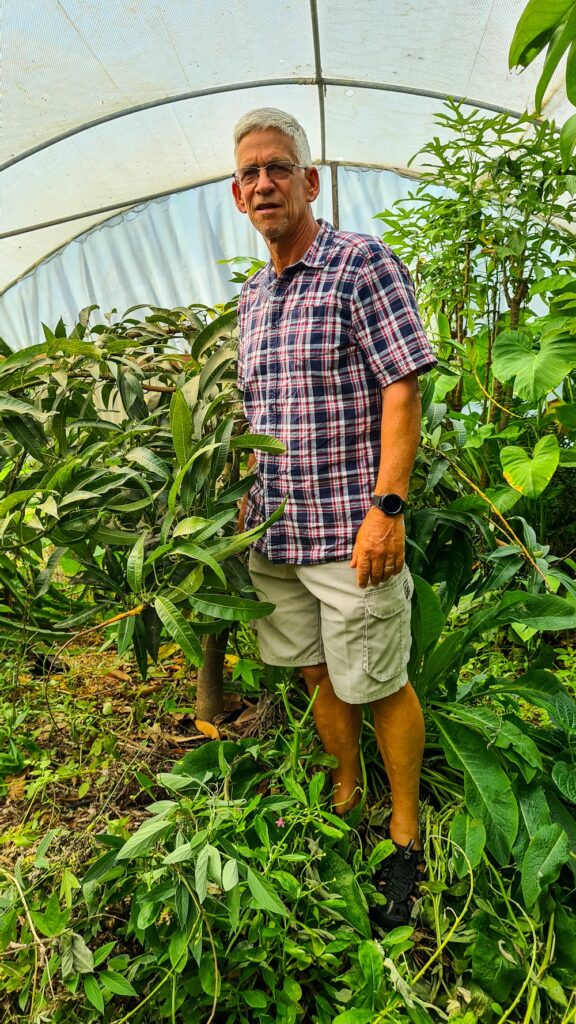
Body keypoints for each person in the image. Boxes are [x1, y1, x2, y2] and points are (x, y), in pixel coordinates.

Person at [231, 108, 437, 928]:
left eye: (278, 167)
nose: (263, 183)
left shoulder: (361, 266)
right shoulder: (251, 297)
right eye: (249, 174)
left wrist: (387, 508)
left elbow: (402, 386)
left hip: (351, 531)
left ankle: (406, 833)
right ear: (237, 195)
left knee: (380, 679)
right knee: (317, 672)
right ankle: (347, 792)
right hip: (274, 536)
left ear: (311, 182)